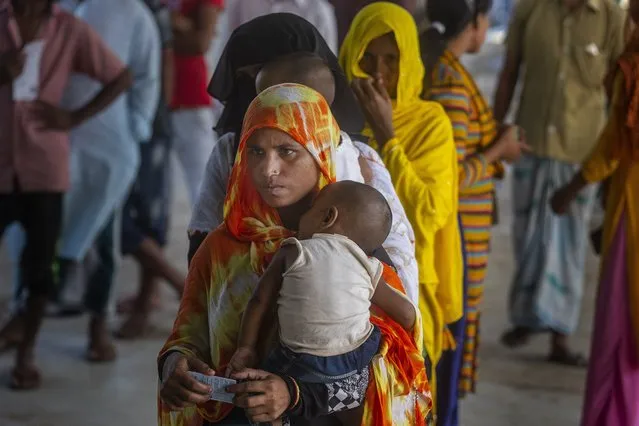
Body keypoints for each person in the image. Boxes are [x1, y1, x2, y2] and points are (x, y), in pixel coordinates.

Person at [158, 83, 431, 426]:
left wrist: (295, 394)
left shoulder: (359, 255)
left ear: (320, 153)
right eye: (255, 151)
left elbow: (392, 373)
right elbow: (187, 335)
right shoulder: (221, 248)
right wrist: (175, 365)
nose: (268, 169)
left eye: (287, 151)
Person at [187, 13, 419, 301]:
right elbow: (203, 246)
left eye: (287, 152)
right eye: (246, 80)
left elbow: (395, 255)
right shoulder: (230, 151)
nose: (269, 167)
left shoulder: (356, 158)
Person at [0, 0, 131, 388]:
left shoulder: (69, 28)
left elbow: (121, 76)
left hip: (44, 164)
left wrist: (73, 118)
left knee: (40, 266)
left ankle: (26, 352)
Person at [339, 1, 464, 401]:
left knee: (402, 400)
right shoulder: (333, 119)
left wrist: (387, 138)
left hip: (410, 289)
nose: (378, 73)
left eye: (392, 60)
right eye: (367, 58)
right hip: (342, 289)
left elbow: (427, 212)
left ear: (409, 61)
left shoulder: (431, 123)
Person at [493, 0, 626, 366]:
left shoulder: (612, 18)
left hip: (579, 153)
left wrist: (611, 162)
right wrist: (489, 133)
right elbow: (509, 72)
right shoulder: (531, 8)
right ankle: (526, 318)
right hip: (528, 142)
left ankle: (560, 337)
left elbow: (620, 90)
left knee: (567, 247)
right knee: (527, 236)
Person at [228, 180, 418, 425]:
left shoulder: (294, 250)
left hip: (297, 359)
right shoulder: (368, 265)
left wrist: (246, 348)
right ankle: (341, 395)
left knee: (265, 376)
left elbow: (259, 302)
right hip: (352, 360)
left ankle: (277, 414)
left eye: (311, 208)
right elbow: (406, 313)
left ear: (328, 216)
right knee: (371, 358)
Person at [421, 0, 530, 416]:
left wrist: (495, 142)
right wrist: (499, 149)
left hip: (466, 227)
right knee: (453, 328)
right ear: (476, 23)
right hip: (460, 229)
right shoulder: (448, 80)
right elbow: (449, 176)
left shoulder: (449, 68)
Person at [550, 4, 639, 423]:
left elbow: (614, 145)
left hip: (633, 208)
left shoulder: (634, 64)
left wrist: (574, 186)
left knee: (623, 323)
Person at [114, 0, 187, 338]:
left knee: (142, 215)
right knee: (120, 215)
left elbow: (166, 60)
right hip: (110, 122)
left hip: (146, 122)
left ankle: (157, 295)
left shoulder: (149, 7)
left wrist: (159, 119)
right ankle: (169, 286)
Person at [171, 0, 224, 205]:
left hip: (190, 97)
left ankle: (208, 237)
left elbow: (201, 42)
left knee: (203, 185)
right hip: (157, 98)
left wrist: (160, 32)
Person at [220, 0, 338, 53]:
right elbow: (229, 48)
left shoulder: (319, 10)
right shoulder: (243, 3)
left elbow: (327, 62)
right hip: (246, 90)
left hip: (299, 92)